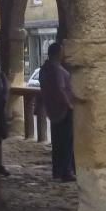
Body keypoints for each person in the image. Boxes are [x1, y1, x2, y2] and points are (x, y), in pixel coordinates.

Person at [38, 42, 75, 182]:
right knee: (66, 141)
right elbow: (60, 90)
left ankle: (58, 170)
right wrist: (69, 104)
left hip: (53, 109)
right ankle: (66, 171)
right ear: (58, 53)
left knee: (58, 141)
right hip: (63, 109)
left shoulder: (45, 69)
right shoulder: (56, 69)